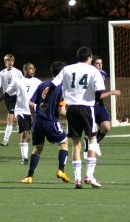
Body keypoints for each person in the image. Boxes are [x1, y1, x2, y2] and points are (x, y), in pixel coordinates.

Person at [45, 46, 106, 189]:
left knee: (76, 143)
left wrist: (46, 101)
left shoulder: (67, 69)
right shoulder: (93, 70)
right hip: (86, 107)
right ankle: (89, 176)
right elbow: (99, 90)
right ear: (90, 57)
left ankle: (77, 179)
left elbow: (53, 85)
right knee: (92, 139)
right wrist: (95, 100)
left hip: (71, 108)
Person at [21, 60, 70, 185]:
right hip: (51, 121)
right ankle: (61, 170)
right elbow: (61, 110)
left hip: (37, 120)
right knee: (64, 142)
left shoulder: (42, 85)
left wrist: (33, 119)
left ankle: (29, 176)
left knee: (37, 148)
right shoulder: (62, 88)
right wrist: (72, 115)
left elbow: (31, 104)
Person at [3, 62, 41, 164]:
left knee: (35, 136)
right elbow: (8, 93)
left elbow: (44, 94)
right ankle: (24, 158)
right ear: (24, 70)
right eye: (30, 69)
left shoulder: (38, 82)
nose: (33, 70)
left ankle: (34, 153)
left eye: (33, 68)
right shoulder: (17, 81)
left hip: (34, 112)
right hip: (22, 111)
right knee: (25, 135)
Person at [0, 54, 23, 146]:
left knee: (9, 118)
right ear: (5, 62)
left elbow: (22, 85)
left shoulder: (18, 72)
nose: (10, 62)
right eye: (8, 60)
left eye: (12, 60)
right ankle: (19, 124)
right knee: (13, 117)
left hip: (16, 97)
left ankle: (5, 140)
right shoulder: (2, 73)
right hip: (7, 97)